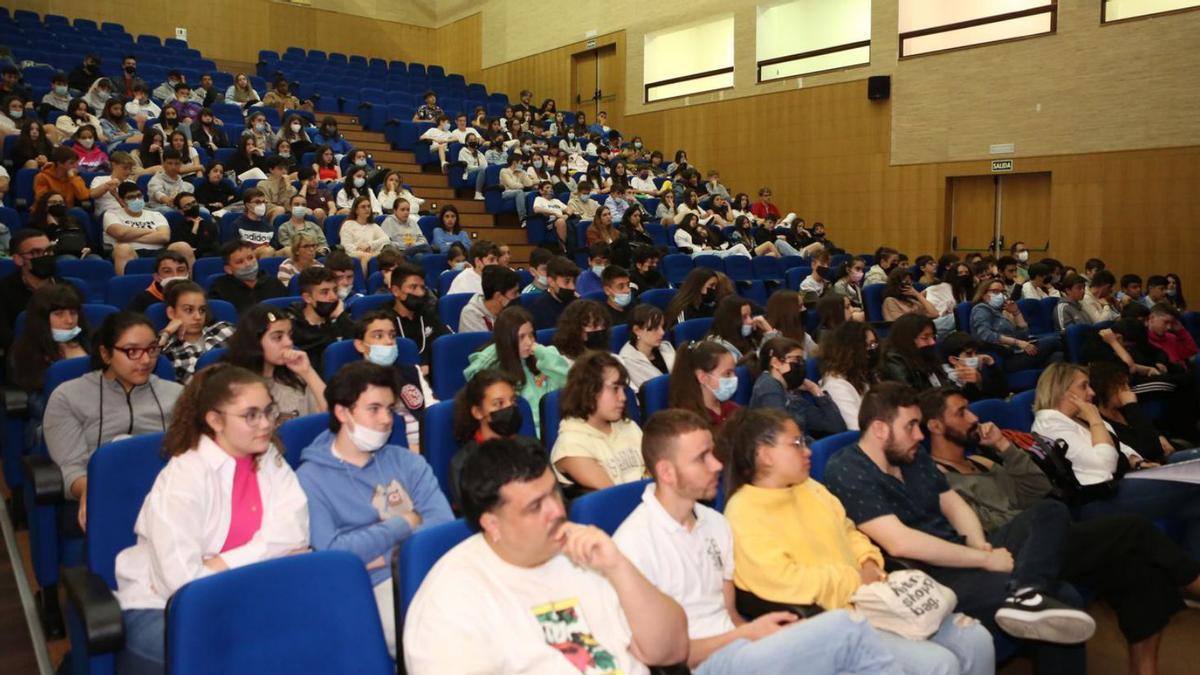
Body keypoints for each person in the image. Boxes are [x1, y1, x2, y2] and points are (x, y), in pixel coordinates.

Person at [922, 386, 1200, 675]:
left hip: (1044, 535)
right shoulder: (938, 479)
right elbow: (983, 528)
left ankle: (1145, 670)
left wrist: (1004, 447)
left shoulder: (981, 460)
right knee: (1132, 528)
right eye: (961, 412)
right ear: (935, 425)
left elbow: (1040, 491)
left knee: (1137, 568)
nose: (973, 417)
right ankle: (1194, 581)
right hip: (1013, 550)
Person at [824, 383, 1096, 673]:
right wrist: (985, 559)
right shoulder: (847, 468)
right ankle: (1028, 595)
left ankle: (1027, 590)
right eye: (911, 426)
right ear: (879, 428)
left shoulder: (910, 455)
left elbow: (953, 504)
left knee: (1050, 510)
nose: (920, 435)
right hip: (927, 575)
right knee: (1063, 596)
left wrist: (979, 543)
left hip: (963, 551)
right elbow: (899, 544)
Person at [613, 409, 900, 675]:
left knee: (860, 656)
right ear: (666, 472)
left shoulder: (715, 524)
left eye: (713, 452)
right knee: (847, 628)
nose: (716, 464)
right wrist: (745, 635)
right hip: (700, 665)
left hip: (742, 649)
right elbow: (662, 656)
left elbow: (731, 613)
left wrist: (761, 635)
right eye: (702, 458)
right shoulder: (632, 545)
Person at [721, 407, 995, 675]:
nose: (807, 451)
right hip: (833, 621)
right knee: (937, 664)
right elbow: (785, 582)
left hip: (874, 599)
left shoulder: (810, 488)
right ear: (765, 455)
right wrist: (855, 581)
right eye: (796, 443)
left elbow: (850, 532)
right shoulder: (744, 512)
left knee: (975, 639)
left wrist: (868, 562)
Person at [402, 434, 688, 674]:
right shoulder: (449, 605)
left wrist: (619, 566)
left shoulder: (584, 549)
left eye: (554, 493)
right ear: (492, 524)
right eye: (535, 506)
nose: (557, 511)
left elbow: (672, 650)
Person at [113, 364, 309, 675]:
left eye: (269, 411)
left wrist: (219, 563)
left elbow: (294, 536)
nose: (265, 424)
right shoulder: (185, 476)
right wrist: (260, 555)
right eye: (251, 415)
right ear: (215, 420)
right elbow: (181, 584)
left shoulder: (269, 458)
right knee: (232, 657)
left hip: (253, 591)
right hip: (165, 606)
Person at [297, 361, 452, 658]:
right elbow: (335, 555)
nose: (386, 420)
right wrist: (404, 522)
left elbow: (441, 524)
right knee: (440, 637)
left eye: (389, 409)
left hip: (428, 574)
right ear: (342, 412)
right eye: (374, 409)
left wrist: (378, 556)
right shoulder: (310, 478)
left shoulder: (407, 461)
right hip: (365, 591)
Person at [1031, 363, 1200, 559]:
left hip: (1121, 483)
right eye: (1083, 386)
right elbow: (1105, 464)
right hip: (1098, 501)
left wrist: (1137, 461)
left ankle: (1191, 571)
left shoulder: (1076, 416)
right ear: (1061, 389)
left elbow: (1119, 445)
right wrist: (1095, 419)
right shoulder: (1050, 424)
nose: (1092, 392)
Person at [44, 312, 184, 532]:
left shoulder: (177, 395)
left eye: (152, 349)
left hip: (168, 489)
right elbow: (71, 466)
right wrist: (89, 490)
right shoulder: (68, 396)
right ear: (106, 354)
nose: (146, 360)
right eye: (132, 351)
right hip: (101, 488)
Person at [464, 306, 569, 435]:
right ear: (508, 339)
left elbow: (566, 379)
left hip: (553, 431)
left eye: (531, 335)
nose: (529, 342)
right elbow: (472, 375)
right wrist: (501, 346)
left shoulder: (541, 362)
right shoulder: (497, 370)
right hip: (522, 435)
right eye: (521, 337)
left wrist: (542, 351)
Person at [550, 352, 644, 491]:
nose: (623, 397)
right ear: (589, 390)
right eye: (615, 389)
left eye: (623, 389)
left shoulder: (628, 426)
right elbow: (614, 498)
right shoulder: (570, 446)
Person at [350, 310, 436, 452]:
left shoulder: (412, 372)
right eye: (378, 336)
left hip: (426, 444)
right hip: (386, 451)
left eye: (392, 335)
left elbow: (433, 411)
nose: (389, 341)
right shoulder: (353, 380)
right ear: (360, 345)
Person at [225, 304, 328, 420]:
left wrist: (308, 372)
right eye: (278, 337)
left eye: (290, 335)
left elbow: (332, 416)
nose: (288, 343)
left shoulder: (297, 376)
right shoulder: (232, 384)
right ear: (255, 342)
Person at [9, 285, 91, 414]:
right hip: (52, 417)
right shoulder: (26, 352)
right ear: (42, 319)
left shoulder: (91, 343)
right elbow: (36, 402)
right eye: (59, 314)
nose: (69, 320)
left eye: (73, 313)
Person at [449, 370, 523, 504]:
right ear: (477, 412)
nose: (510, 408)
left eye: (513, 401)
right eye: (499, 403)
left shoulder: (530, 448)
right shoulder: (464, 466)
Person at [750, 337, 846, 438]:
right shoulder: (768, 386)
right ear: (776, 363)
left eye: (803, 361)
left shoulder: (792, 393)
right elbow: (782, 433)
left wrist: (815, 390)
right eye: (797, 360)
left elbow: (836, 426)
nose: (801, 365)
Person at [970, 277, 1064, 372]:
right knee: (1056, 341)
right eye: (995, 291)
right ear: (983, 294)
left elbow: (1023, 336)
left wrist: (1016, 313)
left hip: (1016, 352)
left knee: (1057, 356)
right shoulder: (981, 309)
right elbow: (985, 335)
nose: (1000, 295)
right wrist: (1018, 343)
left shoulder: (1000, 312)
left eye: (1002, 292)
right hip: (1004, 358)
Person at [155, 280, 234, 384]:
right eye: (188, 310)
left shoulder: (224, 329)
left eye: (202, 310)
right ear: (171, 313)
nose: (198, 317)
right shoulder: (168, 350)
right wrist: (167, 332)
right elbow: (147, 356)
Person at [386, 263, 451, 372]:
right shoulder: (382, 320)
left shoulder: (429, 314)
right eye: (413, 287)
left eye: (422, 287)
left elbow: (448, 344)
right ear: (395, 291)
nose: (420, 293)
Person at [103, 181, 179, 274]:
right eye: (131, 197)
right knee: (123, 249)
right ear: (122, 200)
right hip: (131, 252)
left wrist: (127, 237)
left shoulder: (155, 214)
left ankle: (187, 287)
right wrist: (152, 231)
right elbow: (120, 233)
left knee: (182, 246)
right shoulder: (111, 214)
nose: (137, 199)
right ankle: (123, 286)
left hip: (159, 252)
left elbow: (164, 237)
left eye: (139, 195)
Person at [287, 267, 355, 371]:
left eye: (335, 290)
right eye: (325, 292)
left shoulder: (340, 319)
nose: (333, 297)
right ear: (307, 298)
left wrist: (342, 317)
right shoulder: (291, 326)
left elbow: (357, 347)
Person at [819, 321, 879, 430]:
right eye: (867, 346)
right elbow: (857, 428)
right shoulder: (836, 386)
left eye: (874, 344)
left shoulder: (865, 375)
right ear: (850, 351)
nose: (872, 350)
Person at [668, 340, 740, 430]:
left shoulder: (731, 409)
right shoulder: (689, 422)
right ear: (703, 377)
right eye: (727, 374)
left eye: (734, 372)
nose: (734, 378)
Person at [876, 314, 956, 393]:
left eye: (933, 337)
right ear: (907, 340)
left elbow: (948, 387)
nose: (932, 342)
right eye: (925, 338)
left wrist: (968, 384)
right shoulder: (895, 360)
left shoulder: (928, 356)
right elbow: (909, 396)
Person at [207, 241, 287, 313]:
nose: (248, 264)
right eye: (240, 262)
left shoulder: (274, 283)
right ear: (228, 269)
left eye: (250, 258)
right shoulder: (219, 288)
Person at [619, 305, 675, 391]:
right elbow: (655, 391)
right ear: (637, 330)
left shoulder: (666, 347)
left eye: (662, 327)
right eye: (655, 328)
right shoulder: (628, 361)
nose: (662, 332)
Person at [935, 332, 1007, 401]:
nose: (975, 357)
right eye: (969, 354)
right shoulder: (945, 382)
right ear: (953, 360)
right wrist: (975, 384)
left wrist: (991, 364)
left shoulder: (978, 368)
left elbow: (1002, 393)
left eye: (976, 353)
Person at [460, 264, 521, 333]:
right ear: (498, 296)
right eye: (514, 293)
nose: (518, 296)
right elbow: (483, 343)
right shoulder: (471, 315)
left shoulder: (510, 311)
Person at [340, 195, 390, 275]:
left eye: (369, 206)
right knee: (365, 257)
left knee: (384, 255)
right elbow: (346, 246)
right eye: (363, 207)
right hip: (352, 254)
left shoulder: (373, 225)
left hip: (371, 253)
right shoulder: (348, 224)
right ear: (356, 210)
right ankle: (363, 283)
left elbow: (386, 239)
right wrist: (360, 249)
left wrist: (369, 245)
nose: (367, 209)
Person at [529, 255, 581, 330]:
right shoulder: (538, 309)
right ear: (551, 281)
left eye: (574, 281)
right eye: (567, 281)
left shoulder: (578, 304)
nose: (572, 287)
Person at [169, 192, 220, 261]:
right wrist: (194, 230)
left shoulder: (208, 223)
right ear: (181, 211)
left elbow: (215, 245)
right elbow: (188, 249)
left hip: (211, 259)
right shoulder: (178, 228)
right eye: (188, 205)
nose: (193, 206)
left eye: (194, 202)